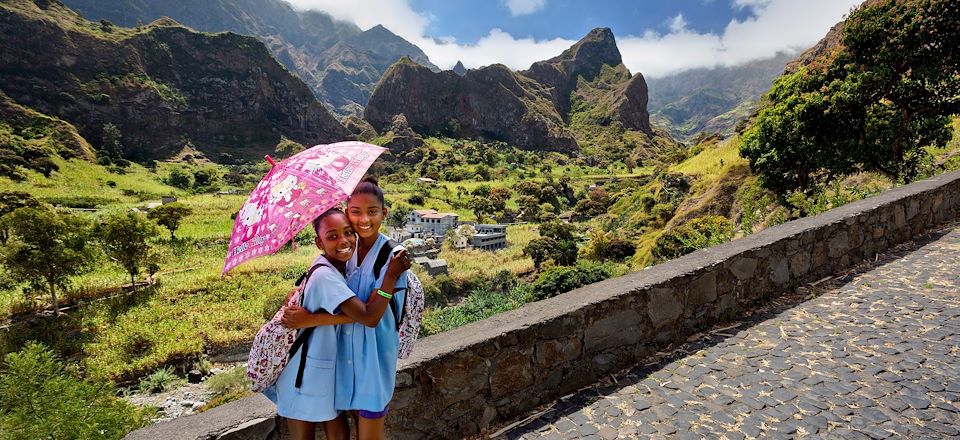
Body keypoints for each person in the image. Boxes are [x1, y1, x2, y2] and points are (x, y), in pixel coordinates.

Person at [271, 207, 411, 440]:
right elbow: (368, 317)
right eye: (332, 236)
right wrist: (390, 276)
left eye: (348, 232)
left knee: (335, 426)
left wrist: (309, 312)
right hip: (302, 371)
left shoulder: (337, 269)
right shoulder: (326, 276)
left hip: (317, 369)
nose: (344, 240)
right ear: (319, 243)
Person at [337, 176, 409, 440]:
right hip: (345, 353)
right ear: (346, 213)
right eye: (355, 212)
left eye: (372, 212)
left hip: (375, 354)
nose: (363, 219)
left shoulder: (393, 254)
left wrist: (389, 277)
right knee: (355, 419)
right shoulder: (344, 250)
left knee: (370, 429)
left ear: (384, 213)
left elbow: (372, 315)